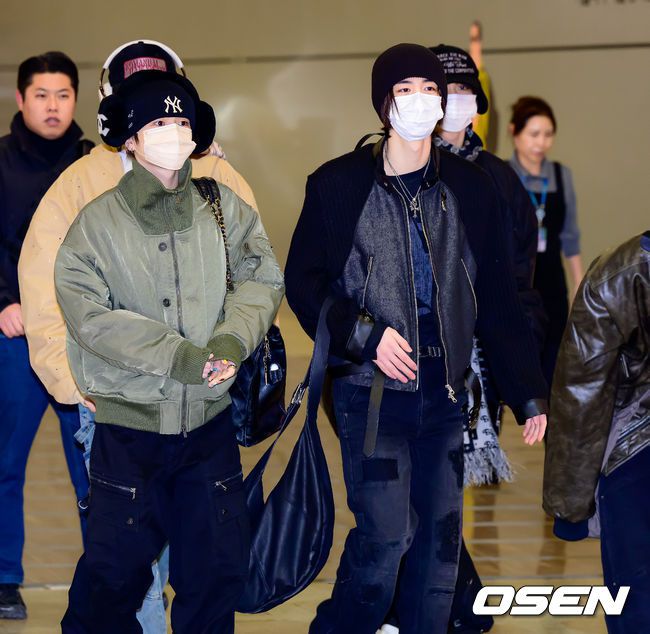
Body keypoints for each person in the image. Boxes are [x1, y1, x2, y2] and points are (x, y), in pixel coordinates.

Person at [285, 43, 547, 634]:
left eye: (431, 89)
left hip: (444, 393)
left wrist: (527, 390)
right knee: (385, 541)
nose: (422, 100)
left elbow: (498, 296)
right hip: (370, 393)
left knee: (438, 554)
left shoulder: (472, 188)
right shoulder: (338, 185)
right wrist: (364, 335)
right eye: (406, 89)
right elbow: (303, 282)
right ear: (384, 104)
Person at [18, 39, 258, 632]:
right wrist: (73, 383)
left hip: (202, 410)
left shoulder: (216, 178)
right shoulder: (81, 185)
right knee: (128, 566)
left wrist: (234, 348)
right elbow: (46, 286)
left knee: (207, 561)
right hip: (118, 410)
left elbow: (254, 274)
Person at [0, 51, 91, 621]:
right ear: (20, 99)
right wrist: (3, 303)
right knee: (6, 460)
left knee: (94, 464)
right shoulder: (1, 162)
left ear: (76, 99)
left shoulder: (95, 162)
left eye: (62, 95)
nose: (53, 106)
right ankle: (3, 577)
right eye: (41, 95)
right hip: (15, 337)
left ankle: (109, 573)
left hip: (80, 339)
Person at [543, 231, 650, 634]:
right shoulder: (616, 277)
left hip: (634, 458)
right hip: (634, 455)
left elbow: (581, 393)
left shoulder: (614, 275)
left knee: (636, 603)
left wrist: (570, 508)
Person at [509, 96, 584, 389]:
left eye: (548, 134)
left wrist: (578, 283)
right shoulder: (502, 175)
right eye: (534, 134)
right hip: (517, 281)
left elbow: (570, 236)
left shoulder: (561, 176)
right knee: (520, 360)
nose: (541, 143)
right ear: (514, 132)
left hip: (552, 281)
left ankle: (551, 419)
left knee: (554, 362)